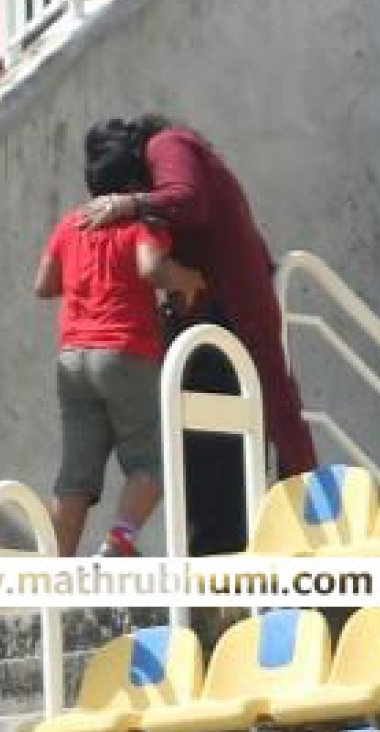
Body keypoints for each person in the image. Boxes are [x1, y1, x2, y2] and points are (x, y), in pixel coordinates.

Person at [81, 115, 317, 553]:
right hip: (209, 319)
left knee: (274, 421)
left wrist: (127, 206)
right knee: (212, 444)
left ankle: (308, 529)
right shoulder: (156, 176)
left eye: (130, 188)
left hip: (236, 311)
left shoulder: (167, 145)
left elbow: (189, 201)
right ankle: (229, 546)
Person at [35, 127, 205, 557]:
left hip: (73, 358)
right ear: (135, 184)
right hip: (126, 352)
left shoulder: (70, 224)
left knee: (76, 471)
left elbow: (43, 284)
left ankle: (57, 570)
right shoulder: (137, 224)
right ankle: (120, 540)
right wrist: (186, 278)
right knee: (152, 461)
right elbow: (150, 268)